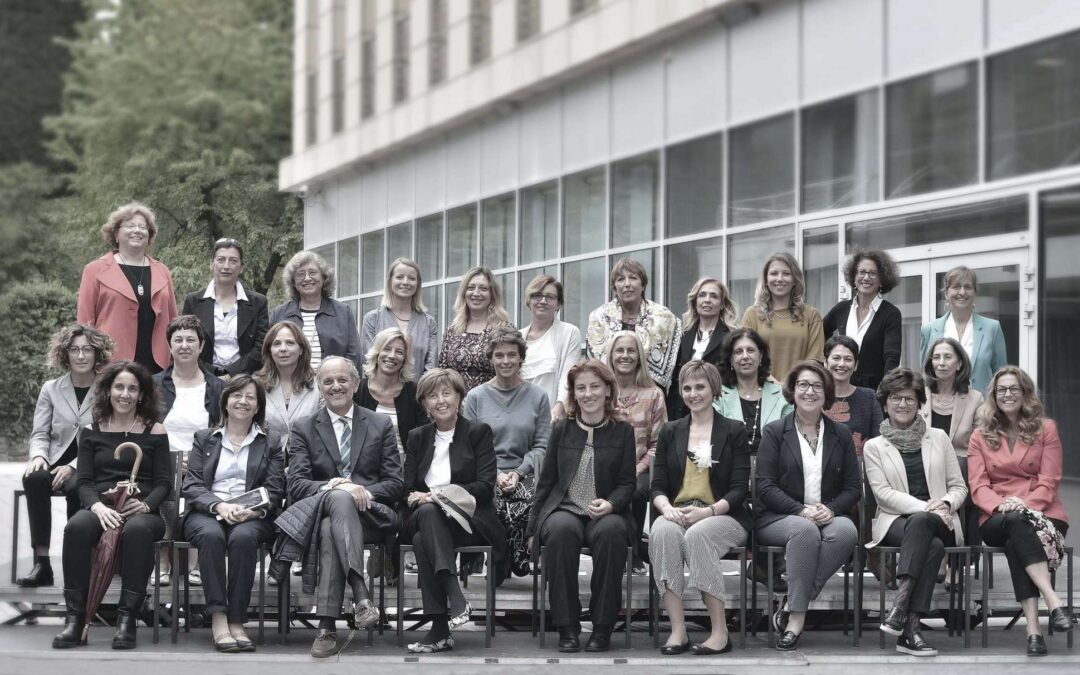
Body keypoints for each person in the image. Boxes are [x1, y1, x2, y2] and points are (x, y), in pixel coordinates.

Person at [287, 356, 403, 658]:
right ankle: (360, 597)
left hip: (371, 515)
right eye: (328, 381)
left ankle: (326, 626)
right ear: (319, 387)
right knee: (334, 509)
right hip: (322, 512)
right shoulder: (303, 428)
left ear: (355, 384)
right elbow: (296, 484)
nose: (335, 386)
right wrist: (338, 487)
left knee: (335, 518)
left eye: (342, 380)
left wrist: (359, 491)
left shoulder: (380, 424)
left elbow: (395, 483)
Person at [53, 361, 171, 650]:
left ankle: (127, 619)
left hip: (141, 510)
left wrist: (145, 506)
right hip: (103, 507)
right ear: (108, 391)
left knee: (138, 531)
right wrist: (96, 507)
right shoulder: (91, 430)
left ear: (141, 395)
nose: (125, 394)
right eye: (119, 387)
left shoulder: (155, 430)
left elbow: (163, 483)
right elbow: (83, 482)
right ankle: (75, 619)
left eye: (133, 388)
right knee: (77, 527)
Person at [526, 360, 636, 654]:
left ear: (608, 391)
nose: (588, 394)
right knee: (560, 532)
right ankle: (567, 627)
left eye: (595, 387)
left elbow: (628, 483)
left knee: (612, 533)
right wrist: (532, 528)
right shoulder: (561, 429)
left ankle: (602, 628)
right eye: (581, 388)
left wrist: (612, 504)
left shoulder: (622, 431)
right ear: (573, 394)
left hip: (606, 511)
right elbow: (546, 482)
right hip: (565, 508)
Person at [754, 360, 861, 651]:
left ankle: (790, 600)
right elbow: (764, 486)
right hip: (780, 516)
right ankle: (796, 620)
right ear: (793, 390)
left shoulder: (840, 434)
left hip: (825, 513)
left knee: (847, 531)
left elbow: (853, 488)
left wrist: (833, 509)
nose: (809, 391)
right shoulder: (775, 432)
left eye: (816, 386)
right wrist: (801, 510)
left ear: (826, 393)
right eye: (803, 384)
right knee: (805, 531)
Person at [967, 366, 1072, 656]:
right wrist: (1003, 505)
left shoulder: (1045, 429)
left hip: (1043, 511)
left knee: (1018, 538)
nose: (1007, 394)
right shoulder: (980, 435)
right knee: (1013, 524)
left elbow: (1049, 480)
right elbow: (978, 486)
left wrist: (1025, 505)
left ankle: (1034, 632)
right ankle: (1053, 600)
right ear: (994, 395)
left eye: (1014, 388)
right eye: (1002, 389)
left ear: (1025, 393)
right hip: (996, 514)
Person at [863, 368, 967, 657]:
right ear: (885, 403)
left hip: (942, 519)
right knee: (930, 542)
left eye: (910, 398)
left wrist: (944, 504)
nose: (903, 404)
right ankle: (911, 627)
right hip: (895, 520)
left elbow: (958, 487)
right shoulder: (874, 447)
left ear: (919, 402)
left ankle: (899, 606)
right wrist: (927, 507)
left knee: (926, 529)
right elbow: (883, 494)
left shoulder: (939, 438)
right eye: (896, 398)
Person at [403, 368, 508, 653]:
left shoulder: (478, 432)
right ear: (424, 403)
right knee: (426, 516)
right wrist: (423, 499)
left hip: (468, 520)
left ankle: (439, 630)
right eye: (432, 395)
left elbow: (485, 486)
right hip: (426, 517)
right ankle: (455, 596)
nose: (440, 400)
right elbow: (407, 487)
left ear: (459, 397)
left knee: (422, 540)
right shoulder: (417, 437)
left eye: (447, 393)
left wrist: (437, 496)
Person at [650, 361, 750, 656]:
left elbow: (739, 489)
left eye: (700, 387)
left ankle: (720, 632)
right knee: (662, 532)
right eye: (687, 388)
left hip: (722, 514)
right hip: (678, 510)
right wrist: (666, 508)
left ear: (714, 389)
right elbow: (657, 486)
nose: (693, 393)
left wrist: (707, 512)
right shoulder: (670, 431)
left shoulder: (733, 430)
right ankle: (678, 630)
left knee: (698, 535)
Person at [181, 375, 284, 653]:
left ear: (258, 405)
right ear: (225, 402)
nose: (243, 401)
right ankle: (218, 618)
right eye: (237, 395)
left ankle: (237, 620)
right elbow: (191, 485)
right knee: (212, 536)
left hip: (251, 515)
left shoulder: (271, 442)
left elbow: (275, 489)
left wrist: (252, 511)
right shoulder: (205, 438)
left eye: (251, 397)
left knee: (242, 538)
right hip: (208, 512)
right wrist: (219, 506)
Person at [18, 324, 114, 588]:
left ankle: (76, 563)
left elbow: (104, 436)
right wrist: (38, 456)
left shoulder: (106, 389)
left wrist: (73, 466)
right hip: (54, 458)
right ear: (65, 353)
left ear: (97, 354)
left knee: (77, 488)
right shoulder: (51, 388)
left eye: (87, 349)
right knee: (34, 478)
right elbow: (40, 432)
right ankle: (42, 564)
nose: (81, 355)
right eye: (74, 350)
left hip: (89, 463)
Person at [463, 326, 551, 578]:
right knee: (495, 504)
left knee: (527, 503)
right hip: (486, 474)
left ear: (521, 357)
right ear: (490, 358)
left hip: (528, 473)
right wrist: (498, 474)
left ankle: (518, 562)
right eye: (499, 355)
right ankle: (500, 563)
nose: (506, 361)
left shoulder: (538, 397)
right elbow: (469, 450)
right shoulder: (475, 397)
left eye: (512, 355)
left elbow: (542, 445)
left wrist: (519, 472)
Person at [153, 315, 225, 586]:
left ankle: (196, 563)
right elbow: (148, 429)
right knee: (164, 491)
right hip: (164, 462)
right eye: (178, 340)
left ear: (201, 345)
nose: (184, 345)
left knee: (201, 493)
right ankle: (162, 561)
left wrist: (195, 463)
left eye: (191, 340)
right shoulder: (155, 384)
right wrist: (172, 463)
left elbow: (221, 431)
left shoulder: (217, 387)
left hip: (204, 462)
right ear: (170, 346)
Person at [77, 202, 178, 373]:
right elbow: (84, 324)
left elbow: (174, 322)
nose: (137, 230)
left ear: (149, 235)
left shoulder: (163, 271)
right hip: (112, 366)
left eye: (142, 227)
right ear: (116, 233)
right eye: (130, 225)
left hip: (158, 368)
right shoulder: (94, 270)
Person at [605, 331, 667, 574]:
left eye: (631, 351)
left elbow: (658, 445)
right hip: (606, 467)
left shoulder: (653, 395)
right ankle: (627, 547)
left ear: (639, 356)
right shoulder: (602, 394)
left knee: (636, 490)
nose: (625, 355)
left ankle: (631, 550)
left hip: (642, 468)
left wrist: (637, 468)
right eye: (619, 350)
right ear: (611, 356)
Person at [919, 336, 985, 554]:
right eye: (936, 357)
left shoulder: (975, 398)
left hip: (961, 466)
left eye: (948, 357)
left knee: (967, 477)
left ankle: (957, 559)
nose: (941, 362)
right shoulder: (919, 394)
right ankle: (939, 554)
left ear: (959, 364)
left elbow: (979, 442)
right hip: (924, 466)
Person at [586, 257, 682, 390]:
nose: (627, 284)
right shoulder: (598, 318)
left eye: (633, 278)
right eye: (620, 279)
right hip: (609, 395)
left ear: (643, 285)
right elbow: (596, 367)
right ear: (615, 287)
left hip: (651, 393)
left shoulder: (663, 317)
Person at [182, 238, 270, 377]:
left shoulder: (258, 303)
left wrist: (231, 374)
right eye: (221, 260)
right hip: (202, 376)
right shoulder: (193, 301)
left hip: (245, 378)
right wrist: (212, 375)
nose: (226, 266)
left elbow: (262, 347)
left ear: (241, 267)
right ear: (212, 264)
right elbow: (186, 342)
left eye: (233, 261)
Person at [919, 266, 1007, 396]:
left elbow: (1002, 376)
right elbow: (926, 374)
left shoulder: (992, 328)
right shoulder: (930, 329)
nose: (962, 292)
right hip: (941, 407)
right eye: (956, 287)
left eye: (967, 287)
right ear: (946, 293)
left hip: (981, 409)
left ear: (975, 292)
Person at [822, 249, 902, 391]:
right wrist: (825, 364)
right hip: (839, 389)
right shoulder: (841, 308)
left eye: (873, 273)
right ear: (854, 276)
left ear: (882, 279)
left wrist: (885, 391)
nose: (866, 277)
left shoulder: (891, 313)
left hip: (873, 392)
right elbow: (818, 334)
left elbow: (892, 357)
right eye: (862, 272)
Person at [269, 250, 361, 372]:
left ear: (324, 278)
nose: (307, 278)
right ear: (293, 282)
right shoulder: (279, 314)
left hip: (333, 386)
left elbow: (354, 355)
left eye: (312, 272)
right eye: (300, 274)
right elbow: (268, 353)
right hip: (290, 385)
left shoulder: (343, 312)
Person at [741, 252, 824, 381]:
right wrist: (773, 384)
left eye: (786, 273)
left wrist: (792, 385)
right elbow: (746, 356)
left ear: (795, 280)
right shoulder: (752, 314)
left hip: (800, 391)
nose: (779, 278)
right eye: (774, 273)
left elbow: (815, 359)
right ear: (766, 280)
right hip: (761, 388)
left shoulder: (811, 315)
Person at [713, 328, 793, 455]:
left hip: (774, 467)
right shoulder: (718, 396)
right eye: (738, 352)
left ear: (760, 356)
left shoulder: (782, 396)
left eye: (750, 350)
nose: (745, 356)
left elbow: (790, 440)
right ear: (731, 360)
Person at [667, 277, 737, 420]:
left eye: (714, 296)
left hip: (717, 412)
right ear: (695, 302)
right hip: (682, 413)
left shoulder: (731, 338)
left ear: (722, 304)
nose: (707, 300)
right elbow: (675, 380)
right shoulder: (682, 336)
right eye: (702, 295)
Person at [438, 266, 515, 392]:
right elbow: (442, 372)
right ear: (464, 293)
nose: (476, 293)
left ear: (492, 295)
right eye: (471, 288)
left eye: (483, 288)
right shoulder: (452, 331)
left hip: (493, 403)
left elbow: (514, 371)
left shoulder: (504, 329)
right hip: (456, 407)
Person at [360, 258, 438, 381]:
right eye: (399, 277)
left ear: (418, 284)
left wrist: (420, 393)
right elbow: (369, 362)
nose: (405, 282)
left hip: (417, 395)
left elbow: (431, 366)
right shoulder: (372, 319)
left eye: (412, 278)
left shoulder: (429, 323)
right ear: (390, 281)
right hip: (379, 395)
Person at [355, 327, 427, 455]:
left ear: (405, 359)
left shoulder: (414, 392)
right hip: (365, 467)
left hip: (405, 466)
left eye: (399, 352)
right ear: (377, 353)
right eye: (387, 349)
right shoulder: (358, 390)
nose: (392, 356)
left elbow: (424, 436)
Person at [519, 274, 581, 421]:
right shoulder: (518, 337)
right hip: (521, 416)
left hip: (553, 417)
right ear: (529, 301)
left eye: (550, 297)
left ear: (559, 304)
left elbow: (568, 375)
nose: (543, 301)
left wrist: (559, 407)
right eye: (537, 296)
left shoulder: (569, 333)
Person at [254, 321, 321, 444]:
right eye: (277, 344)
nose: (283, 349)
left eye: (290, 343)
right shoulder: (256, 386)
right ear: (269, 350)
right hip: (267, 457)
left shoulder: (319, 385)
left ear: (301, 349)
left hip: (309, 456)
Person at [822, 335, 882, 455]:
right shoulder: (815, 396)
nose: (842, 364)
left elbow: (879, 440)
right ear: (825, 362)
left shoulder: (869, 397)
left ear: (855, 365)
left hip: (860, 468)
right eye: (836, 358)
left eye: (848, 359)